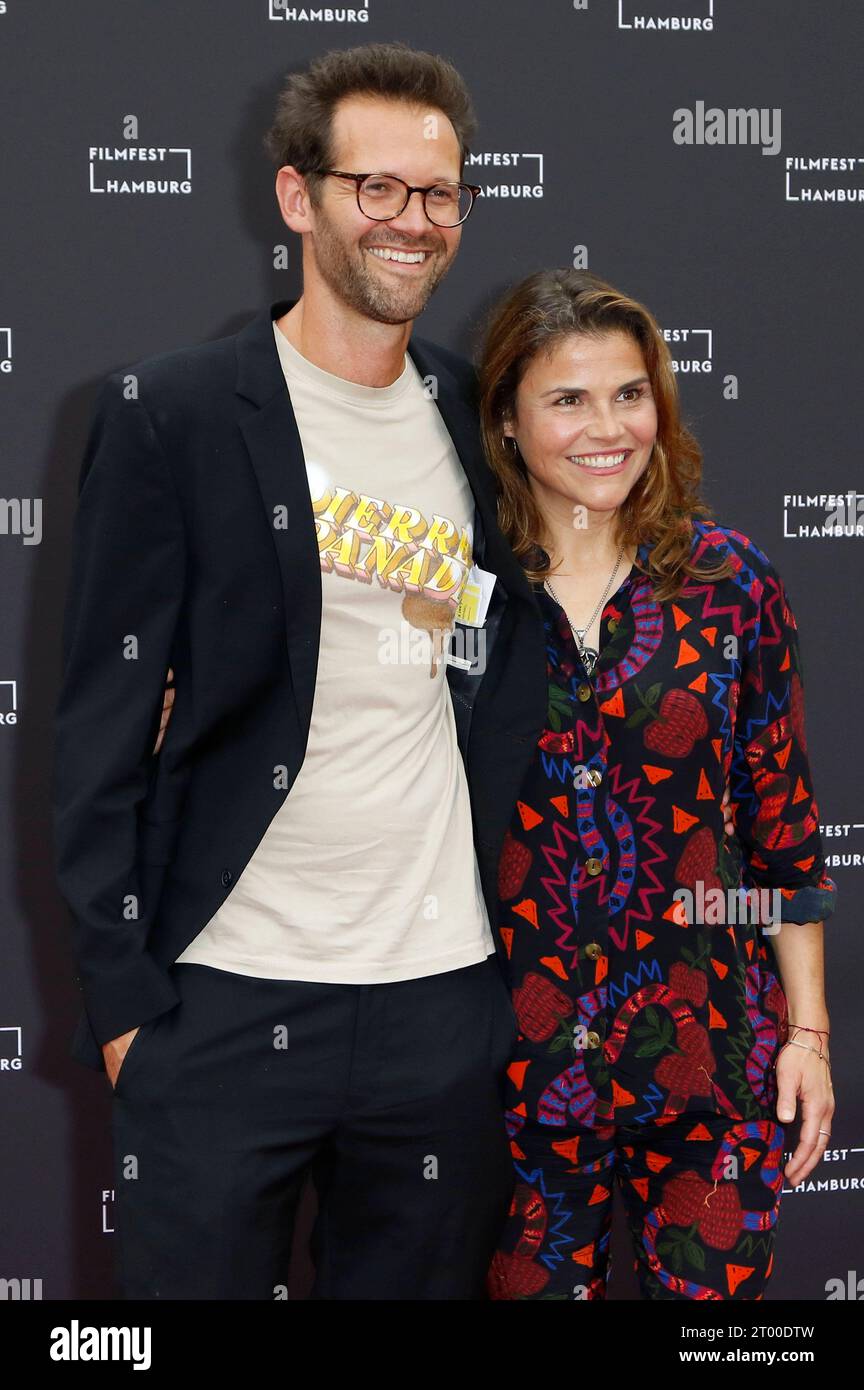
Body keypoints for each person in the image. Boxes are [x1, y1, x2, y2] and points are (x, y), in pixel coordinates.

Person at [52, 41, 518, 1301]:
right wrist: (123, 1012)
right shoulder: (175, 414)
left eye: (439, 194)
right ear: (298, 196)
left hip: (440, 1001)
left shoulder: (483, 421)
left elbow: (503, 659)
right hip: (221, 1000)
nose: (412, 223)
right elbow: (94, 737)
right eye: (377, 188)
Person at [475, 268, 838, 1301]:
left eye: (629, 394)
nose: (608, 428)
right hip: (514, 1073)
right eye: (569, 398)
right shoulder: (463, 596)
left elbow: (787, 839)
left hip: (711, 1058)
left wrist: (806, 1034)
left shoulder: (731, 582)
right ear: (507, 419)